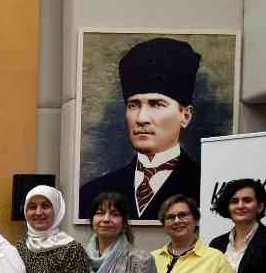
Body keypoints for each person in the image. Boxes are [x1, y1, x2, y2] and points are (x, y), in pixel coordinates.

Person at [77, 37, 204, 222]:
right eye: (133, 105)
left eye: (157, 104)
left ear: (185, 115)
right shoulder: (93, 193)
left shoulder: (204, 186)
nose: (142, 118)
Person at [207, 178, 266, 273]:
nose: (240, 206)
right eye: (234, 201)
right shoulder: (216, 244)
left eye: (247, 200)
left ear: (260, 207)